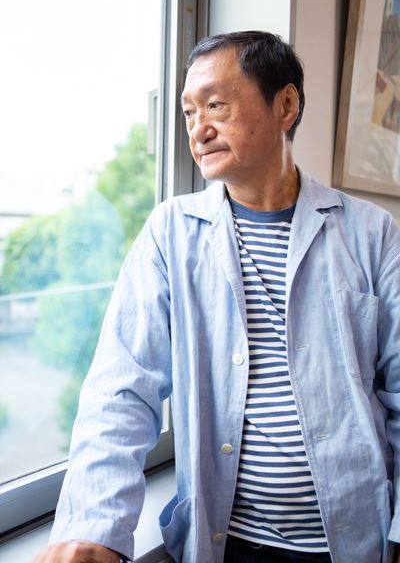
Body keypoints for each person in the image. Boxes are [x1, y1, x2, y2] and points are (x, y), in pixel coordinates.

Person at [32, 31, 400, 563]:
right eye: (188, 112)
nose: (198, 129)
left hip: (353, 542)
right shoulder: (170, 232)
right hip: (227, 543)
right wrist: (93, 528)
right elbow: (121, 390)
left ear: (285, 105)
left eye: (215, 106)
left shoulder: (372, 232)